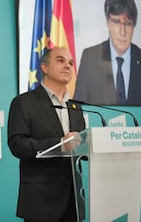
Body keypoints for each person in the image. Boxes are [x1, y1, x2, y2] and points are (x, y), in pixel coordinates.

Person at [8, 47, 86, 222]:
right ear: (44, 67)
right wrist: (59, 143)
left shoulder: (75, 106)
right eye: (61, 60)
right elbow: (17, 144)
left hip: (72, 200)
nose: (68, 66)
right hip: (41, 200)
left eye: (71, 63)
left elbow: (80, 147)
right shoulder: (24, 102)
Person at [74, 0, 141, 106]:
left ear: (134, 26)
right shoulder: (90, 57)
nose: (122, 32)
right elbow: (78, 107)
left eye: (128, 24)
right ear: (108, 23)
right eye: (116, 22)